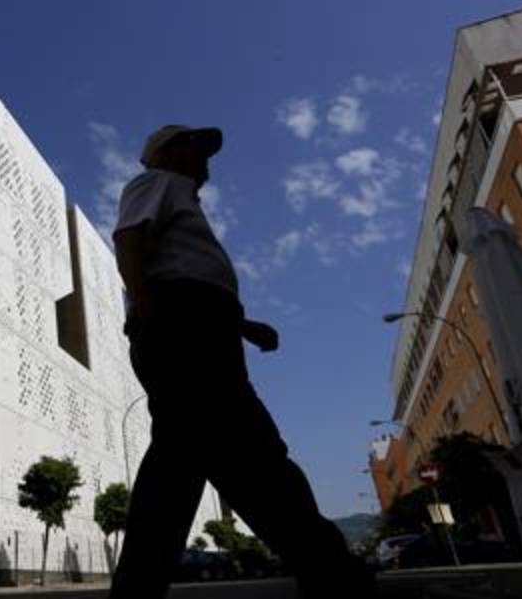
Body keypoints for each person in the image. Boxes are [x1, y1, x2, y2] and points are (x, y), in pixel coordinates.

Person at [108, 125, 372, 598]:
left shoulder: (181, 197)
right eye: (196, 147)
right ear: (168, 152)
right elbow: (130, 242)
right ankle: (329, 568)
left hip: (201, 329)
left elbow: (189, 272)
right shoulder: (158, 182)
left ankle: (327, 567)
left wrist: (243, 327)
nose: (206, 159)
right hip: (182, 329)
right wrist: (150, 312)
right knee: (240, 453)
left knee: (215, 456)